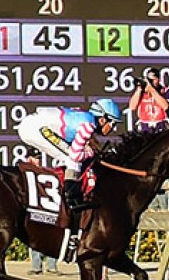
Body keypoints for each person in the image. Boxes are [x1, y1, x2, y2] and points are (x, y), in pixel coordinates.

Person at [16, 98, 123, 252]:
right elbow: (76, 156)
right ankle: (71, 197)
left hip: (32, 125)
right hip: (34, 129)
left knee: (67, 158)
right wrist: (90, 152)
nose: (112, 128)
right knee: (71, 159)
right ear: (102, 119)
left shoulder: (86, 117)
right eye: (112, 123)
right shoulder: (88, 125)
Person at [128, 67, 169, 132]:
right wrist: (139, 89)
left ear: (159, 79)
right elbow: (132, 107)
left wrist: (152, 91)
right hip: (145, 126)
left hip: (161, 125)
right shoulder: (142, 92)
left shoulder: (166, 91)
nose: (151, 82)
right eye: (149, 80)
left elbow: (166, 106)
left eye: (153, 79)